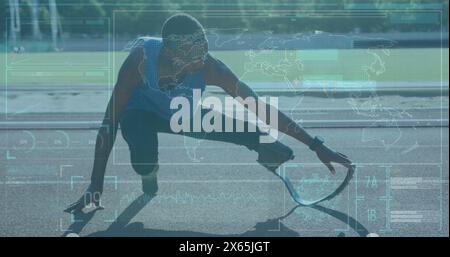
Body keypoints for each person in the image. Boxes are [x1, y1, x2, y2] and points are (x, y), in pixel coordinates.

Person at [64, 13, 353, 213]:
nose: (200, 59)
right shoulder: (139, 61)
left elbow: (259, 107)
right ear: (169, 52)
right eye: (192, 53)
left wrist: (316, 145)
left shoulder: (212, 68)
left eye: (203, 48)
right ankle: (148, 170)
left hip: (182, 113)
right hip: (138, 114)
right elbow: (109, 122)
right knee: (143, 160)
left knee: (251, 130)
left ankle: (266, 152)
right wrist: (95, 184)